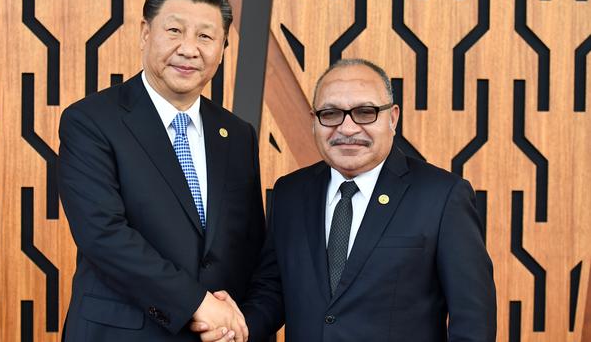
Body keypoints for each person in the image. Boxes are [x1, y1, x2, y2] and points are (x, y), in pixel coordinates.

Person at [194, 59, 496, 341]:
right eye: (331, 114)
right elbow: (274, 290)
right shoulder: (290, 193)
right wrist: (236, 327)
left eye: (365, 112)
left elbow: (472, 320)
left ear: (392, 118)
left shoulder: (443, 196)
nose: (347, 128)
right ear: (314, 121)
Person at [57, 0, 264, 341]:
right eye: (174, 30)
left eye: (205, 36)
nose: (189, 49)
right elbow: (103, 235)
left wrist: (236, 322)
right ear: (145, 33)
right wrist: (198, 304)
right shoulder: (91, 120)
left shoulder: (237, 134)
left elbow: (247, 245)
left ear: (223, 48)